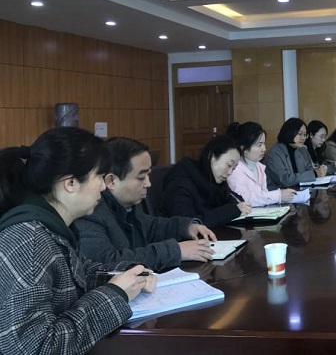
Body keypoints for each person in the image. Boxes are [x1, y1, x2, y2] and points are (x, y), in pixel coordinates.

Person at [0, 127, 156, 355]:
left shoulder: (50, 227)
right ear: (70, 183)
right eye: (99, 176)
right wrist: (115, 293)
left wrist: (127, 274)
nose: (104, 186)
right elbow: (36, 349)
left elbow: (77, 273)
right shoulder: (30, 241)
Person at [74, 137, 217, 272]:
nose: (148, 184)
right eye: (141, 177)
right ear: (111, 181)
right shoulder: (90, 212)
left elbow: (151, 227)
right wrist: (176, 251)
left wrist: (186, 227)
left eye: (149, 175)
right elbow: (106, 262)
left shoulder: (129, 203)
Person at [161, 135, 251, 228]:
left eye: (234, 168)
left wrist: (238, 208)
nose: (230, 172)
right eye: (229, 165)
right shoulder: (181, 183)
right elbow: (188, 225)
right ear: (212, 157)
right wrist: (231, 211)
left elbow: (234, 201)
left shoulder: (213, 180)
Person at [227, 122, 298, 206]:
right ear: (243, 149)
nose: (264, 149)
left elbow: (263, 195)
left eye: (264, 143)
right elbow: (242, 199)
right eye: (259, 145)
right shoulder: (235, 170)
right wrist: (278, 195)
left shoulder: (259, 166)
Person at [263, 117, 323, 189]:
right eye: (300, 134)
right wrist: (314, 173)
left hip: (302, 191)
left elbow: (310, 170)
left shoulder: (302, 150)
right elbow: (285, 179)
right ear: (289, 132)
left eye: (305, 135)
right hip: (281, 193)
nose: (303, 138)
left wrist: (320, 170)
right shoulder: (274, 153)